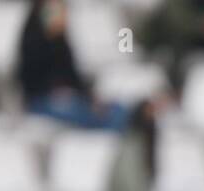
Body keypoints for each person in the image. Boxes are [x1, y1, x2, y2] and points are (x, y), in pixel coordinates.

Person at [18, 0, 128, 131]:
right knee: (88, 116)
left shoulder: (61, 41)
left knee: (118, 109)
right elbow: (29, 79)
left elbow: (72, 75)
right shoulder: (32, 39)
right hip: (42, 101)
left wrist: (89, 98)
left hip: (72, 98)